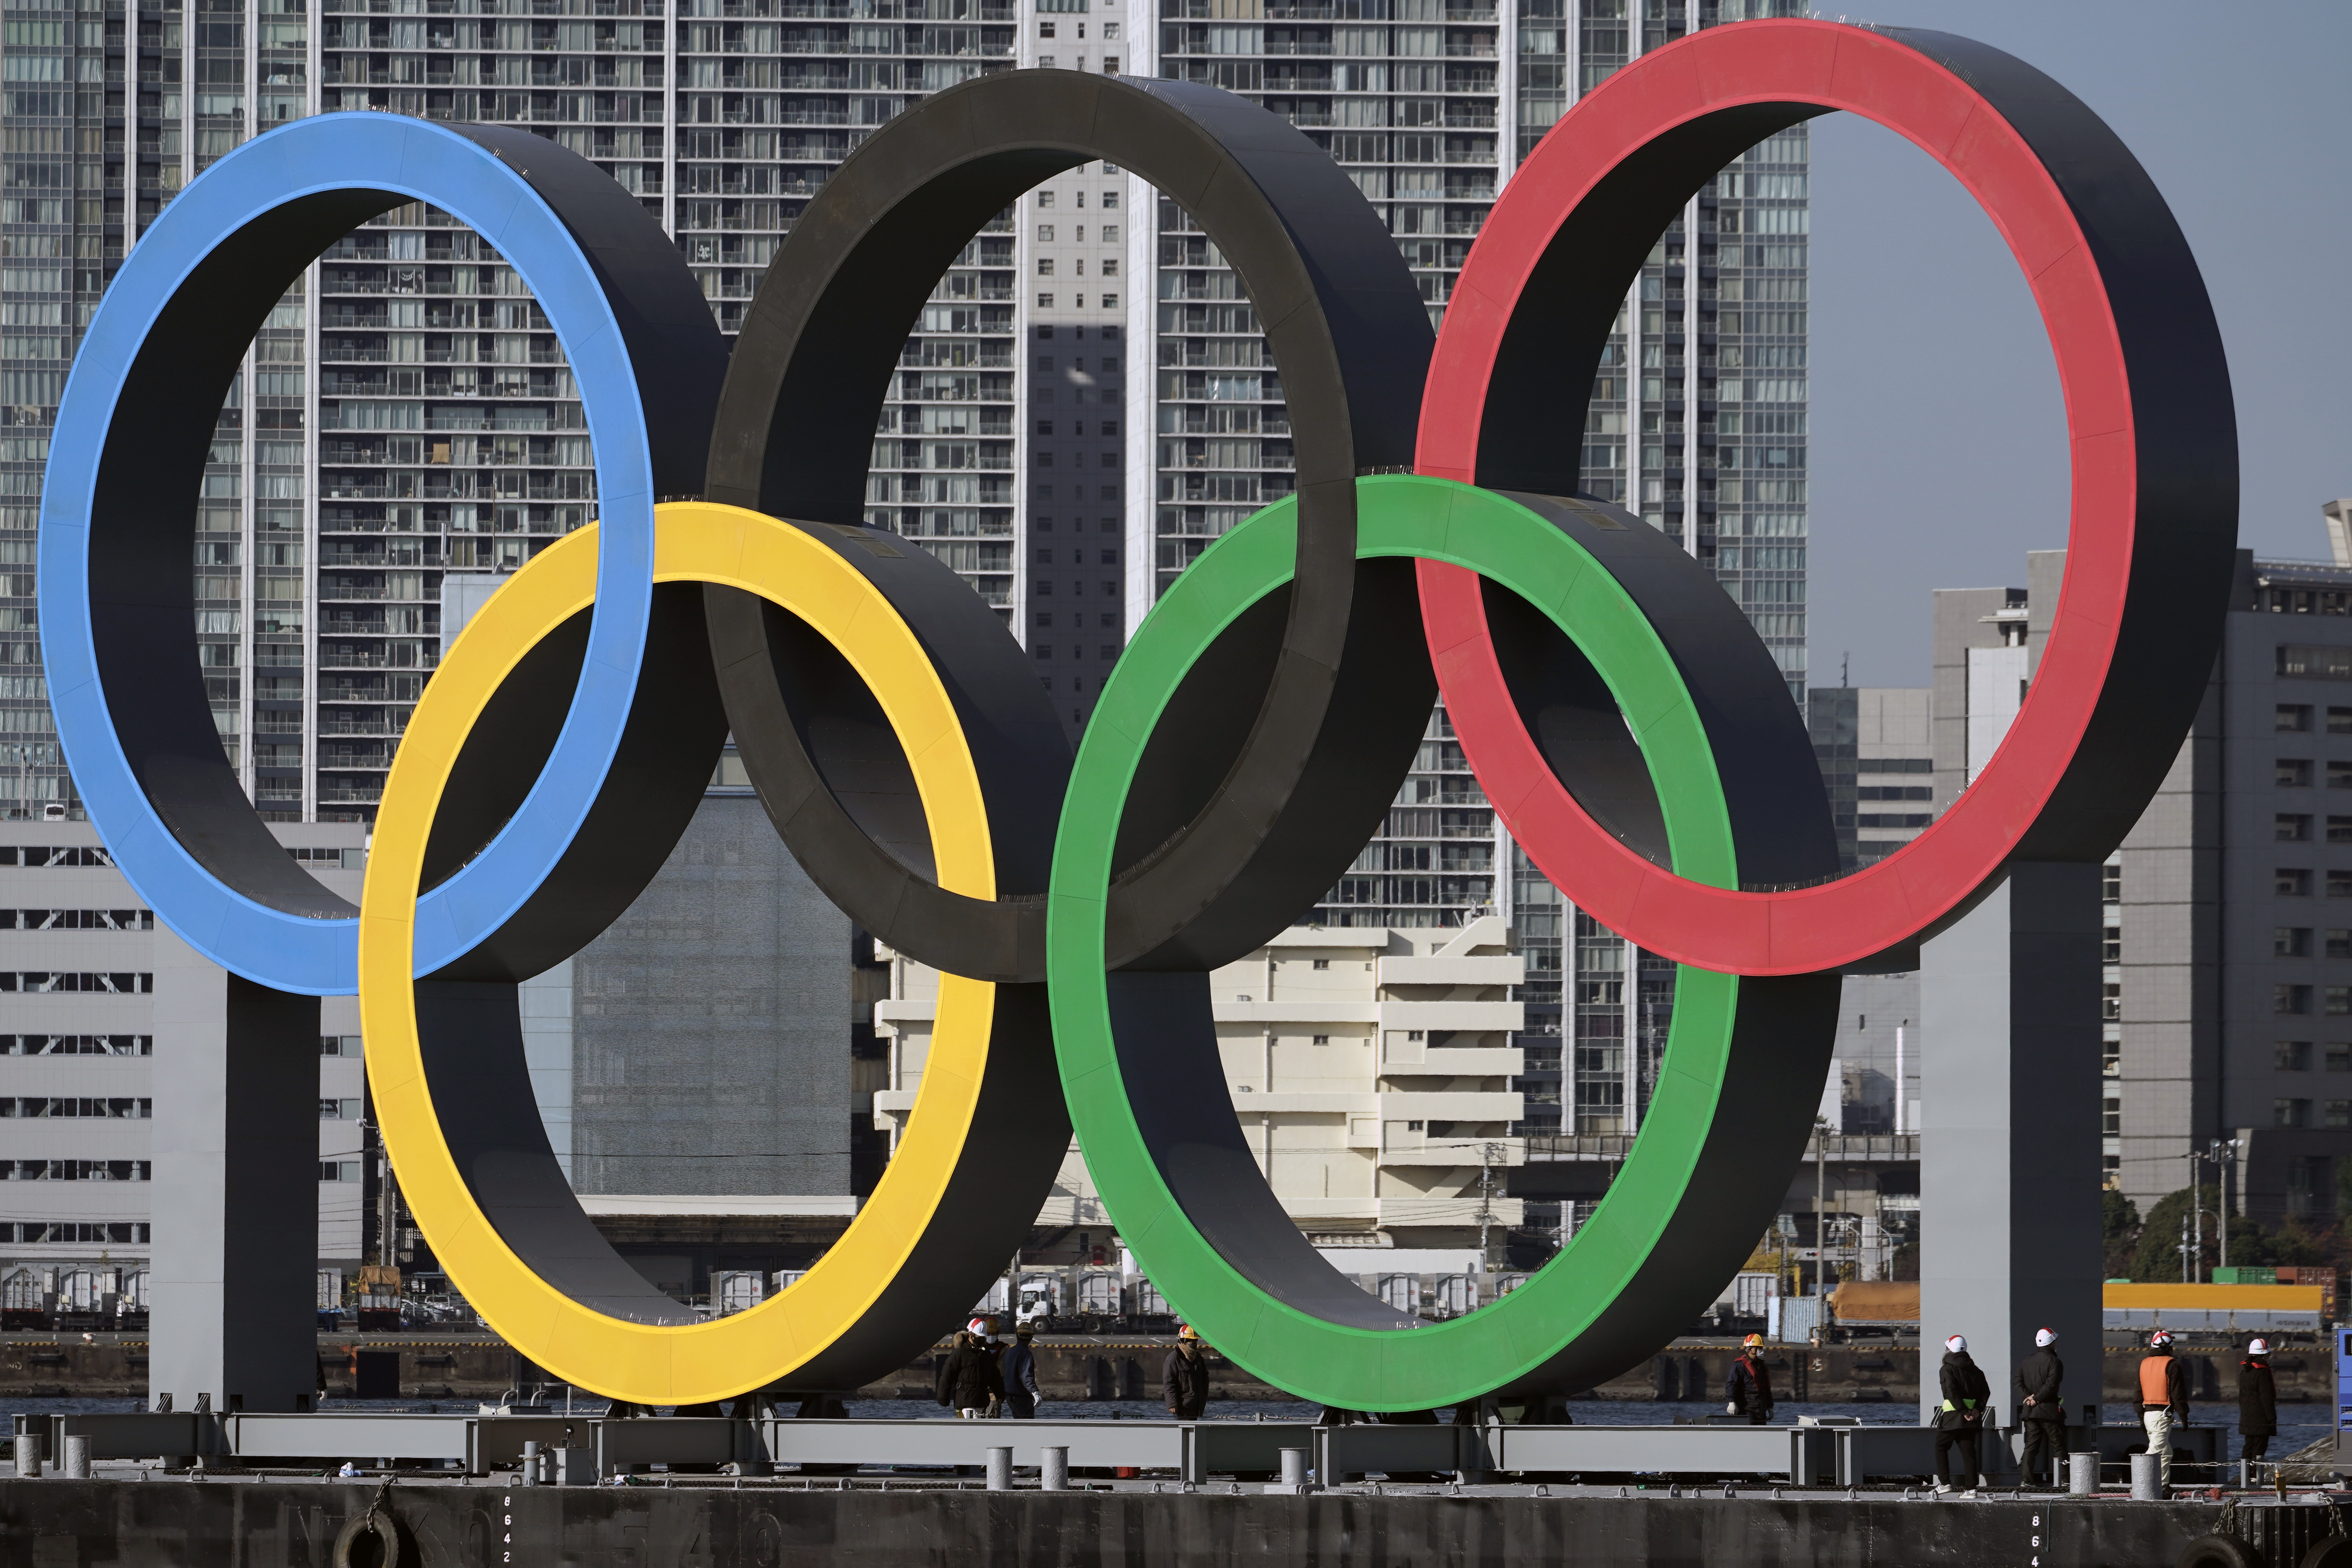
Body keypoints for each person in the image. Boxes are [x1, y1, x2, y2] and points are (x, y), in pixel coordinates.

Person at [1933, 1333, 1991, 1495]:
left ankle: (1944, 1483)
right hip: (1971, 1419)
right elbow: (1986, 1392)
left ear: (1949, 1350)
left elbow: (1951, 1392)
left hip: (1953, 1417)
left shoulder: (1947, 1368)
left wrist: (1964, 1411)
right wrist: (1977, 1411)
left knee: (1940, 1447)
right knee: (1968, 1452)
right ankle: (1971, 1489)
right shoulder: (1977, 1371)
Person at [2138, 1329, 2191, 1490]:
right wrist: (2183, 1416)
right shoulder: (2172, 1365)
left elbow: (2138, 1393)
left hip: (2148, 1414)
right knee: (2154, 1452)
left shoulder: (2144, 1364)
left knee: (2165, 1452)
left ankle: (2163, 1484)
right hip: (2162, 1414)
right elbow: (2178, 1394)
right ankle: (2141, 1485)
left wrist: (2141, 1416)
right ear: (2169, 1347)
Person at [2014, 1327, 2066, 1488]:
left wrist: (2027, 1398)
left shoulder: (2026, 1362)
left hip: (2030, 1412)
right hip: (2049, 1411)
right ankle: (2064, 1480)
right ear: (2051, 1343)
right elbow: (2052, 1384)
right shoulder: (2055, 1362)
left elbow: (2017, 1382)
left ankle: (2026, 1480)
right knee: (2058, 1445)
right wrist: (2037, 1398)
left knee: (2031, 1447)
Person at [935, 1318, 1004, 1419]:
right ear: (971, 1336)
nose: (982, 1339)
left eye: (983, 1337)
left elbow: (995, 1377)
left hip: (982, 1402)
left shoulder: (985, 1355)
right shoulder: (960, 1354)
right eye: (979, 1337)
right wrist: (943, 1397)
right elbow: (947, 1376)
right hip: (964, 1403)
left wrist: (1000, 1394)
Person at [2238, 1338, 2278, 1470]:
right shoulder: (2263, 1371)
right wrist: (2272, 1419)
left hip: (2247, 1417)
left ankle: (2245, 1475)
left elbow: (2241, 1396)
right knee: (2259, 1449)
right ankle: (2256, 1476)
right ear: (2265, 1354)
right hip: (2261, 1418)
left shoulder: (2245, 1371)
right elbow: (2266, 1398)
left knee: (2248, 1447)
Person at [1724, 1333, 1773, 1425]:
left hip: (1761, 1411)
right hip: (1747, 1410)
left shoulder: (1762, 1366)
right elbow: (1731, 1385)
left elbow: (1766, 1389)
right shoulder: (1740, 1366)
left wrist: (1770, 1407)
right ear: (1751, 1349)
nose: (1761, 1351)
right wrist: (1731, 1402)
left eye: (1761, 1349)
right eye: (1759, 1349)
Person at [1163, 1323, 1210, 1421]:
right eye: (1191, 1343)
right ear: (1183, 1342)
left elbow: (1205, 1378)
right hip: (1182, 1408)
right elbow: (1169, 1384)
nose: (1194, 1346)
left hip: (1196, 1406)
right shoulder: (1173, 1359)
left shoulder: (1198, 1358)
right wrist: (1172, 1404)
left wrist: (1203, 1394)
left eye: (1195, 1342)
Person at [999, 1327, 1042, 1420]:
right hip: (1021, 1397)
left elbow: (1004, 1369)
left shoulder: (1010, 1352)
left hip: (1010, 1396)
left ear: (1017, 1336)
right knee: (1027, 1425)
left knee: (1018, 1423)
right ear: (1031, 1338)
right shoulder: (1026, 1354)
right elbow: (1026, 1376)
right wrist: (1035, 1392)